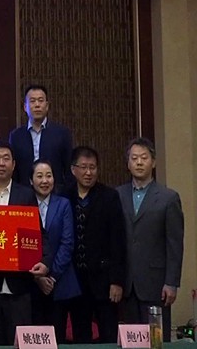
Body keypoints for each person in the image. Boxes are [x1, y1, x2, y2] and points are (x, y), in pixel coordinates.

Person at [0, 140, 51, 346]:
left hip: (20, 287)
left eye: (6, 158)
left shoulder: (26, 195)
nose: (1, 163)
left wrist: (45, 262)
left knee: (21, 344)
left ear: (14, 164)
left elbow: (39, 234)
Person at [118, 137, 183, 342]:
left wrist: (171, 282)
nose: (139, 162)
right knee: (130, 341)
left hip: (156, 283)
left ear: (153, 162)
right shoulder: (117, 195)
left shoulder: (168, 198)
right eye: (134, 158)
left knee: (156, 341)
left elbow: (174, 244)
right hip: (126, 284)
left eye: (144, 158)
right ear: (128, 163)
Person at [65, 146, 126, 343]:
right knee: (81, 336)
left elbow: (118, 241)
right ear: (73, 169)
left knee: (109, 335)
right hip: (75, 283)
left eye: (92, 167)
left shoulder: (109, 196)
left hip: (104, 281)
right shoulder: (64, 196)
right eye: (83, 167)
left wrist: (116, 281)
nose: (88, 172)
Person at [28, 160, 80, 343]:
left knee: (57, 337)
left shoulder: (63, 204)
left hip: (58, 281)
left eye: (48, 176)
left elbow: (67, 244)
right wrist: (38, 278)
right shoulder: (24, 204)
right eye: (39, 176)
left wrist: (50, 276)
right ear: (31, 180)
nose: (45, 181)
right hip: (31, 283)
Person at [9, 85, 73, 194]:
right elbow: (14, 171)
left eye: (40, 100)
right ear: (25, 107)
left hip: (55, 193)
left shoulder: (62, 133)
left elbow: (68, 168)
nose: (37, 105)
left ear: (47, 106)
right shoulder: (16, 136)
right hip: (24, 194)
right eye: (32, 101)